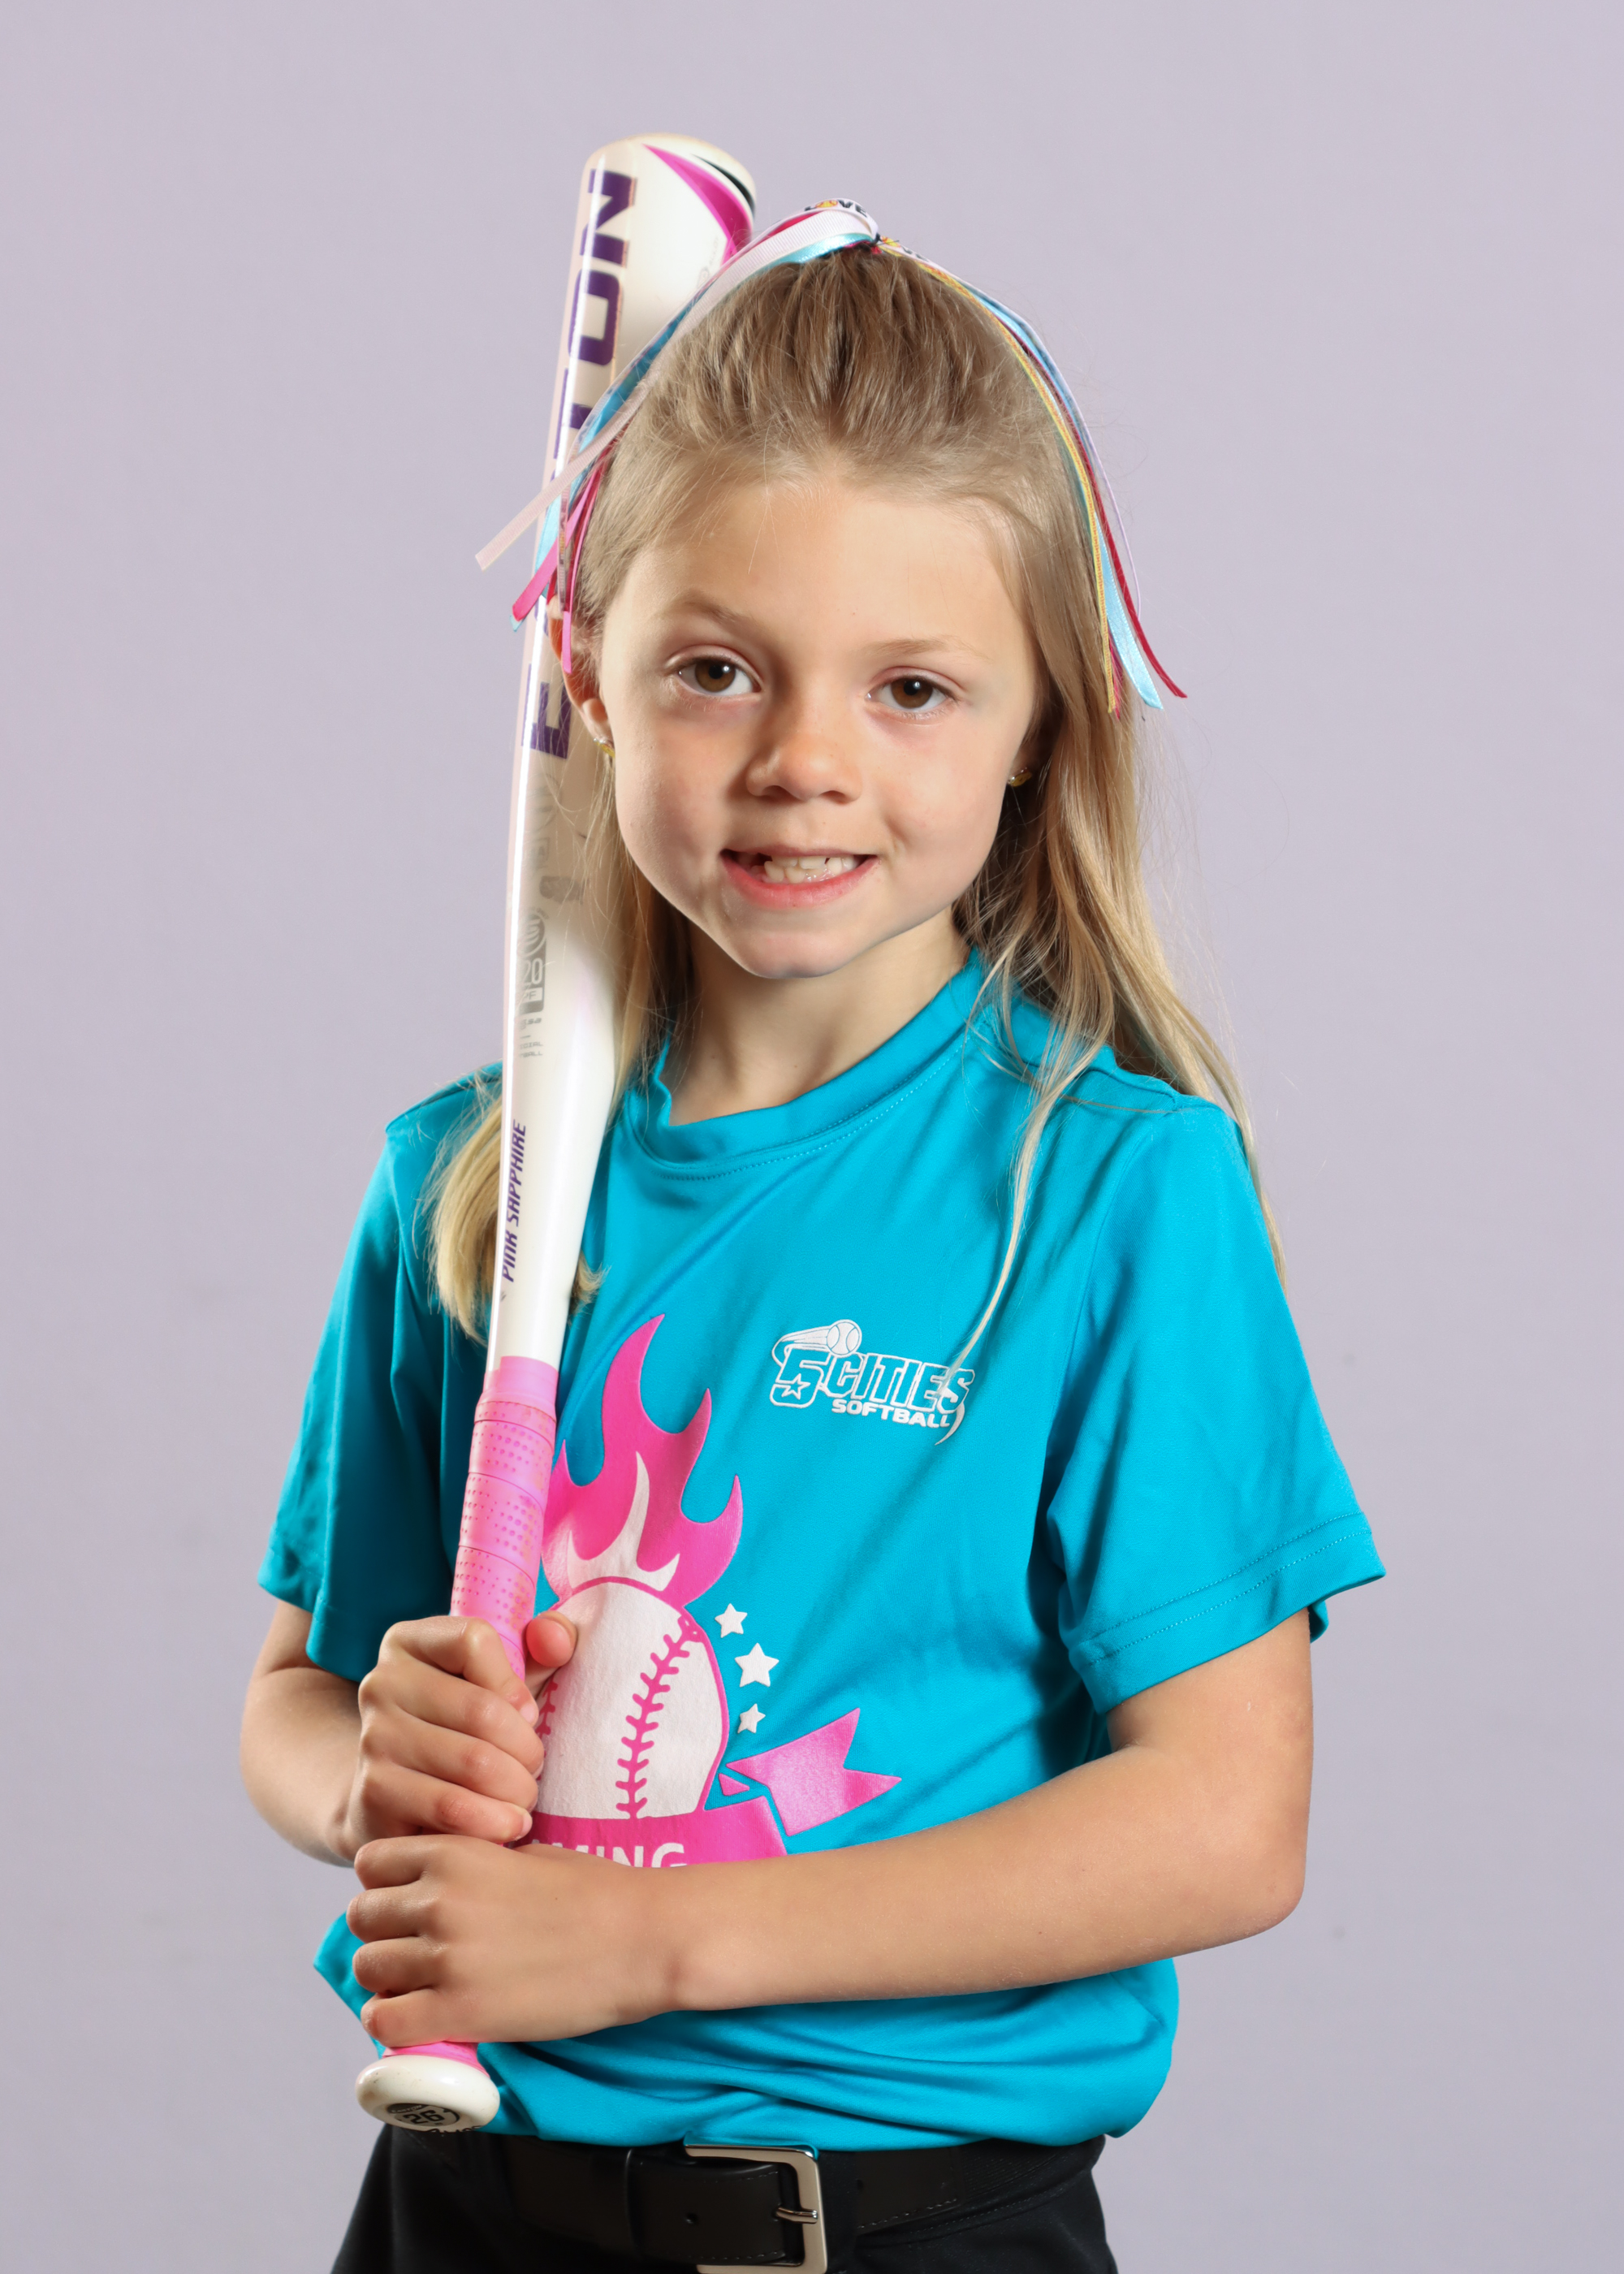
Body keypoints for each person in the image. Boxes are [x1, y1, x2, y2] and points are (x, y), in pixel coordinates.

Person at [241, 238, 1383, 2274]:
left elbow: (1222, 1821)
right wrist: (377, 1777)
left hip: (892, 2223)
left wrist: (651, 1939)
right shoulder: (468, 1183)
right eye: (716, 667)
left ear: (1041, 722)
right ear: (583, 673)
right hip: (464, 2202)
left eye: (911, 686)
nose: (802, 760)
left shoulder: (1114, 1193)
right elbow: (296, 1700)